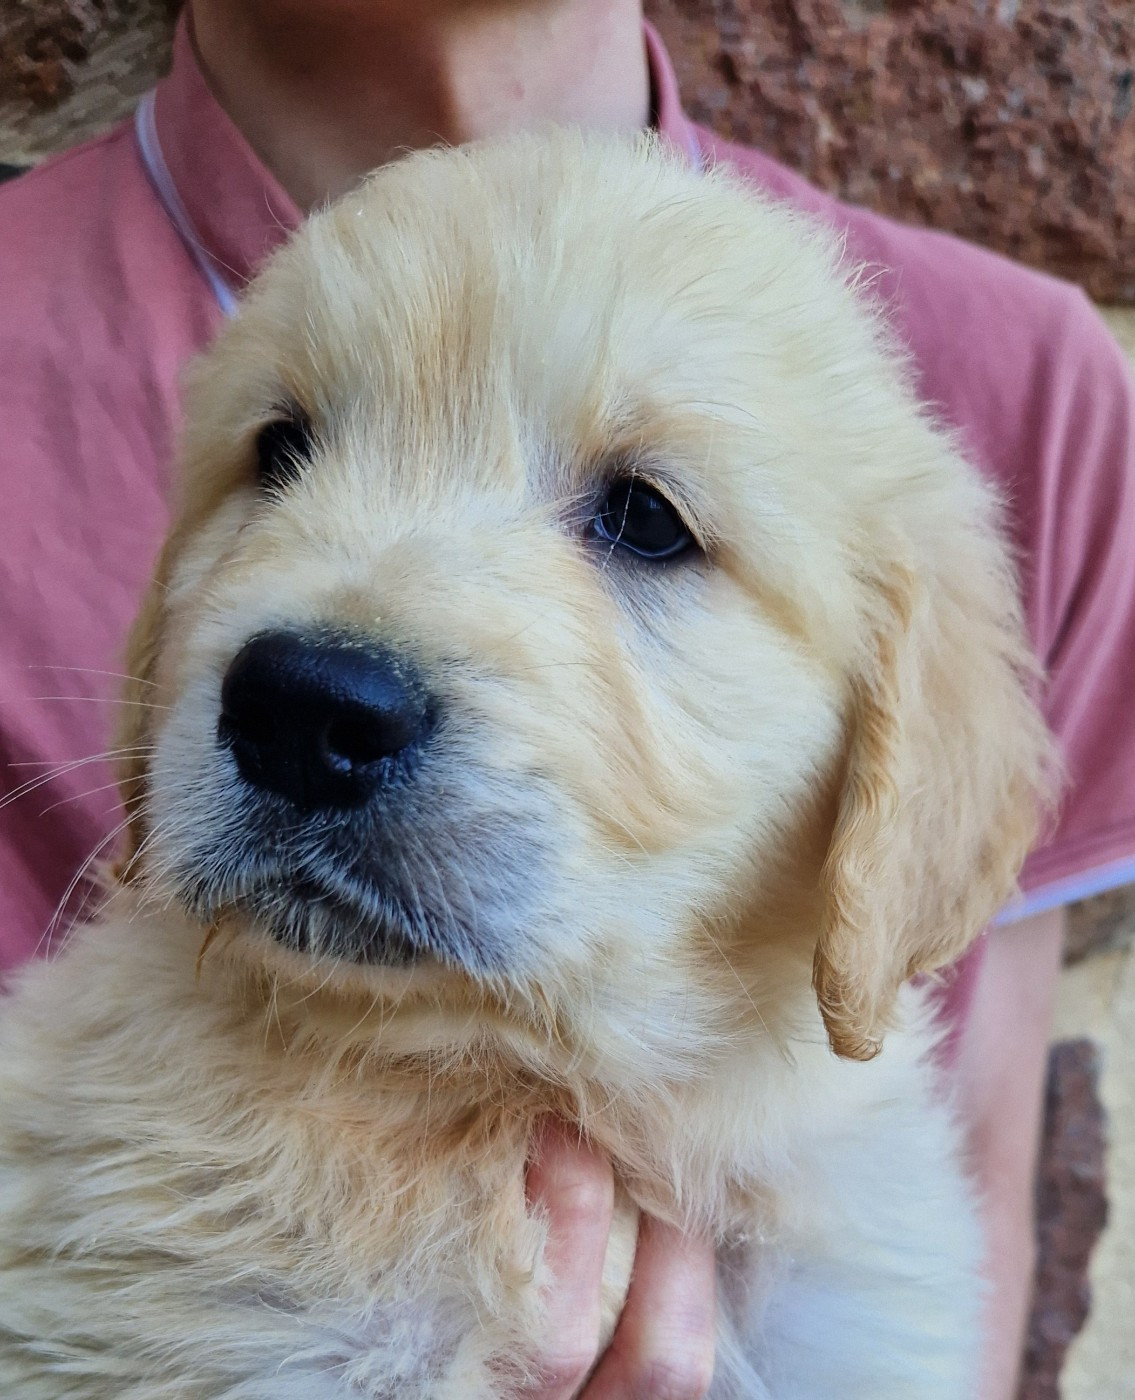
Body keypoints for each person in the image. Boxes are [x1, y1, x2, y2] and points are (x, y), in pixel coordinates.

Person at [1, 2, 1133, 1395]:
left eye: (648, 524)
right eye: (283, 453)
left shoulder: (1020, 393)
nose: (322, 666)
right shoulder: (122, 1177)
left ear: (887, 735)